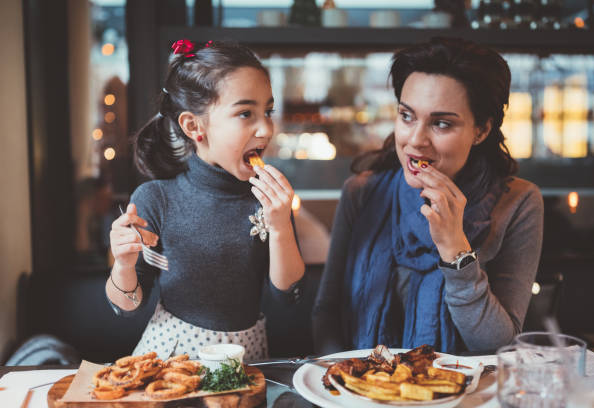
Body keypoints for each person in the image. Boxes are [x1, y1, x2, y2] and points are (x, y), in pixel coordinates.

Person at [312, 37, 544, 354]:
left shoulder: (518, 202)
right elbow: (327, 313)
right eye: (407, 116)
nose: (416, 141)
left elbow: (499, 347)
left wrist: (455, 248)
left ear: (481, 130)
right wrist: (345, 382)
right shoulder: (362, 192)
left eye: (442, 123)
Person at [105, 40, 305, 360]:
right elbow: (127, 308)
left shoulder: (269, 199)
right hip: (173, 358)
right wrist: (124, 265)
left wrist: (281, 227)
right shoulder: (157, 199)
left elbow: (287, 297)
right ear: (194, 126)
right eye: (245, 113)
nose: (266, 129)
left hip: (248, 357)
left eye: (268, 111)